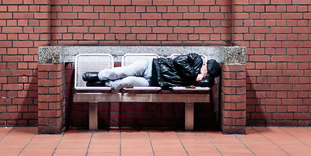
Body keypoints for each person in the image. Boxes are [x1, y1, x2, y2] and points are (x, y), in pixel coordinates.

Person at [83, 53, 221, 90]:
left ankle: (104, 85)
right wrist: (194, 74)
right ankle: (99, 75)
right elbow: (178, 61)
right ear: (204, 64)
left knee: (127, 81)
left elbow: (207, 85)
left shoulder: (197, 80)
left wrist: (201, 80)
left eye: (209, 75)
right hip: (150, 66)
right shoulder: (196, 59)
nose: (206, 74)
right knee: (123, 72)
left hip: (153, 82)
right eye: (207, 71)